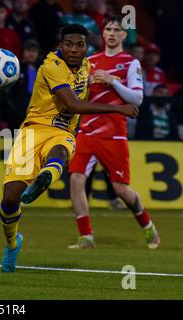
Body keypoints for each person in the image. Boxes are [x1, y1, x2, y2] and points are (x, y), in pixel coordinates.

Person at [0, 24, 139, 273]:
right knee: (10, 198)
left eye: (80, 45)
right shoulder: (51, 67)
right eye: (69, 44)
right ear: (60, 46)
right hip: (32, 131)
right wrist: (118, 108)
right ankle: (12, 243)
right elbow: (73, 104)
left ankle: (46, 178)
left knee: (60, 151)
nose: (74, 50)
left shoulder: (86, 66)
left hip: (62, 132)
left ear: (87, 47)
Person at [68, 16, 161, 249]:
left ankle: (149, 227)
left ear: (123, 36)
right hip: (87, 131)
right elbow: (78, 96)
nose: (110, 33)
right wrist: (84, 84)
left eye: (116, 30)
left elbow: (137, 98)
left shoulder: (130, 63)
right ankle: (86, 237)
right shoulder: (89, 61)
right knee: (76, 180)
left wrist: (113, 82)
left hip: (114, 133)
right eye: (107, 29)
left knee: (121, 190)